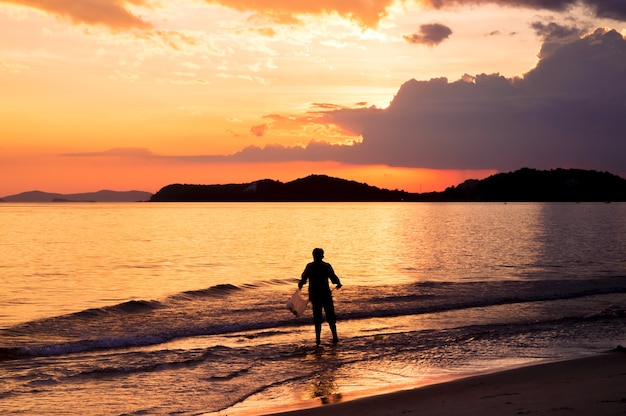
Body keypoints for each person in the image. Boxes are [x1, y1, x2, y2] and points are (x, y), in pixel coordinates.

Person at [298, 248, 342, 345]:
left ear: (313, 256)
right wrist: (338, 283)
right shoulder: (326, 266)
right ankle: (335, 337)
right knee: (330, 316)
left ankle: (318, 339)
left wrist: (300, 286)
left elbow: (303, 279)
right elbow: (334, 278)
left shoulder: (310, 266)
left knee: (317, 317)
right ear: (322, 256)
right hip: (326, 294)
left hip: (315, 295)